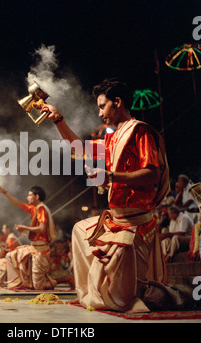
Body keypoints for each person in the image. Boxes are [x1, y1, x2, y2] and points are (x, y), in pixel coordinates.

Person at [41, 78, 170, 312]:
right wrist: (58, 120)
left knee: (119, 300)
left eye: (102, 106)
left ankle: (152, 291)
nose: (99, 113)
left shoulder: (139, 130)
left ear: (117, 102)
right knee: (80, 230)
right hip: (115, 220)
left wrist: (111, 177)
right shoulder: (111, 137)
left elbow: (152, 174)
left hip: (135, 224)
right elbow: (79, 149)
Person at [0, 185, 74, 290]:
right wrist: (5, 193)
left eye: (29, 195)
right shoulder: (34, 208)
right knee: (10, 256)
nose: (27, 197)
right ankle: (19, 283)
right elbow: (18, 204)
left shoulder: (41, 209)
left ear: (37, 197)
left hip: (41, 249)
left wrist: (25, 228)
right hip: (33, 247)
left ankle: (67, 278)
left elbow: (41, 228)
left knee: (38, 286)